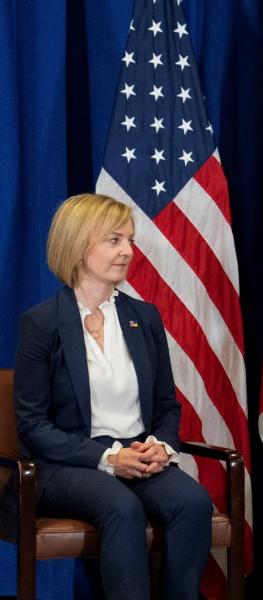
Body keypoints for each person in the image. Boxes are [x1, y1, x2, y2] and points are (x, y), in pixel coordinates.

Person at [14, 194, 212, 599]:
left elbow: (165, 405)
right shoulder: (42, 324)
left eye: (130, 241)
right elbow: (33, 426)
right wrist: (107, 459)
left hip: (137, 453)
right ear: (78, 244)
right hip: (68, 463)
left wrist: (161, 446)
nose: (128, 251)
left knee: (192, 502)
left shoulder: (146, 317)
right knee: (121, 507)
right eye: (114, 240)